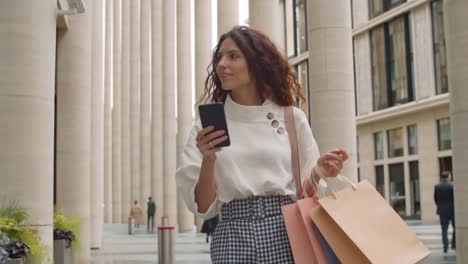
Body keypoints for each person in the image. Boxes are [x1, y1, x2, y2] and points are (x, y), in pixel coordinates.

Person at [176, 26, 348, 263]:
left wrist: (319, 171)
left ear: (256, 63)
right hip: (232, 235)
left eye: (233, 56)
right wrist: (208, 158)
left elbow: (304, 192)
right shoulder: (206, 126)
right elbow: (203, 206)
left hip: (288, 232)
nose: (221, 64)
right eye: (219, 57)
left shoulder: (291, 118)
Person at [434, 171, 456, 253]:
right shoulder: (452, 185)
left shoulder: (437, 186)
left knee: (444, 230)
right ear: (448, 177)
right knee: (455, 228)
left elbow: (436, 199)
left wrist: (440, 206)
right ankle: (454, 245)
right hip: (452, 210)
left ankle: (445, 247)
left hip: (442, 211)